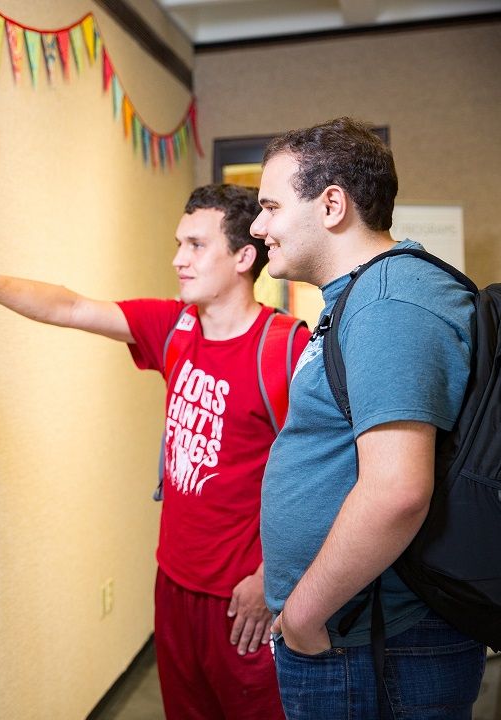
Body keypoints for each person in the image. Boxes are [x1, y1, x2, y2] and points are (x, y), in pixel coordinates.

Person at [0, 184, 308, 719]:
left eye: (194, 245)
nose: (177, 259)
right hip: (174, 583)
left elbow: (318, 479)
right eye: (178, 244)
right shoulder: (175, 329)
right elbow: (69, 306)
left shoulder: (286, 348)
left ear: (243, 257)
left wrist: (270, 578)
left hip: (244, 598)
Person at [250, 117, 486, 719]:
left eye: (271, 206)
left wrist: (303, 616)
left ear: (332, 204)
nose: (258, 227)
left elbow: (397, 492)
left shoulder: (388, 304)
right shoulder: (364, 297)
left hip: (373, 640)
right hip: (356, 629)